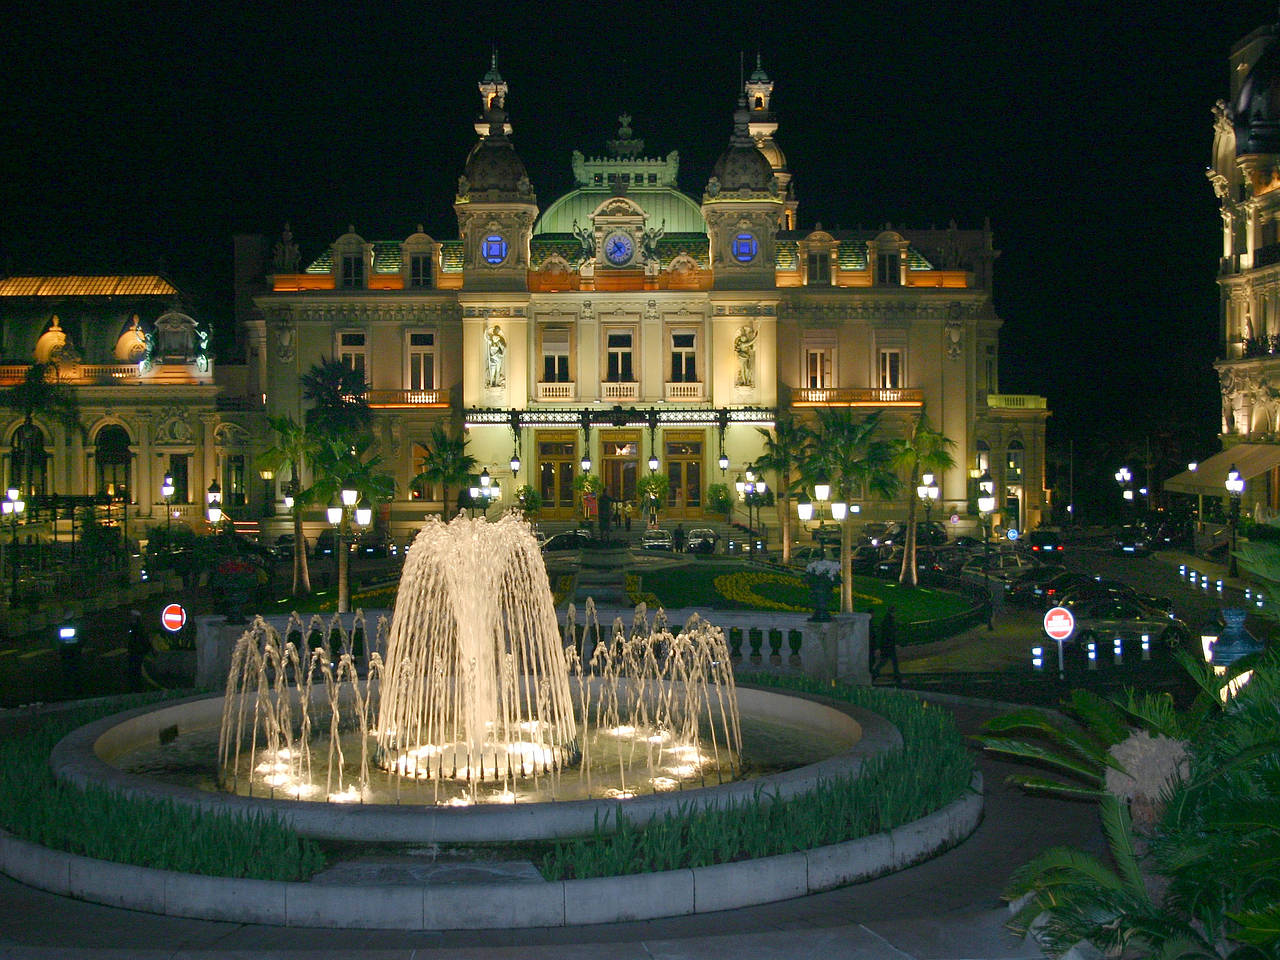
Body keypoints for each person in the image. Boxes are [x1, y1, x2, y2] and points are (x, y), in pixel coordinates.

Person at [870, 606, 901, 685]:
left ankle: (896, 675)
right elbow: (890, 633)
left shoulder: (887, 619)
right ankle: (876, 674)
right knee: (888, 661)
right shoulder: (889, 620)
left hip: (886, 644)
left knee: (888, 661)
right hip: (888, 644)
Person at [126, 609, 151, 691]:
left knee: (135, 670)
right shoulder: (135, 628)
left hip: (136, 652)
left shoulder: (137, 628)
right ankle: (136, 686)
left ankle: (136, 687)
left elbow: (143, 640)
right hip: (135, 652)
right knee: (135, 670)